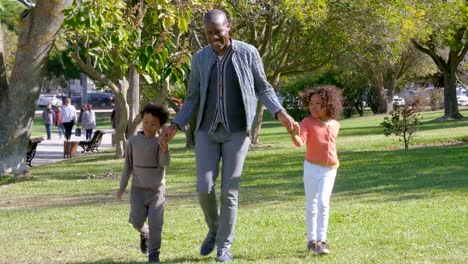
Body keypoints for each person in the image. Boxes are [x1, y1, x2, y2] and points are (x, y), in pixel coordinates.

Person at [160, 9, 295, 262]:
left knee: (230, 191)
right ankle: (214, 228)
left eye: (218, 32)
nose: (214, 37)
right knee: (204, 187)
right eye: (209, 33)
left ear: (229, 27)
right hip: (206, 132)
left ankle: (224, 247)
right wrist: (175, 125)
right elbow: (192, 98)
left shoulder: (248, 53)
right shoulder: (199, 59)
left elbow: (263, 87)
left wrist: (280, 112)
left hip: (237, 133)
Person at [288, 85, 343, 255]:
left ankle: (321, 241)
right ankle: (311, 241)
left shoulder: (335, 125)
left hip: (330, 169)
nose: (314, 107)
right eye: (311, 103)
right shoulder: (307, 122)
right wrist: (293, 133)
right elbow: (299, 142)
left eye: (319, 103)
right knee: (311, 204)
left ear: (329, 105)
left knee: (323, 203)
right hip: (311, 167)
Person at [116, 103, 170, 264]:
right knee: (136, 221)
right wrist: (122, 188)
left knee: (156, 225)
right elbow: (128, 167)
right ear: (142, 121)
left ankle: (154, 255)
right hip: (138, 191)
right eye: (146, 122)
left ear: (160, 125)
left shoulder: (160, 141)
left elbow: (164, 163)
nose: (149, 126)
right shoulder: (132, 141)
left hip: (156, 192)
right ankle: (144, 233)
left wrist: (165, 149)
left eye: (154, 123)